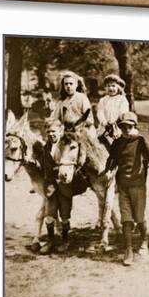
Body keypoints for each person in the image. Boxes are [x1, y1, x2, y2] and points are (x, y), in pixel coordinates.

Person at [106, 112, 149, 266]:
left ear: (134, 126)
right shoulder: (117, 143)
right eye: (123, 127)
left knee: (139, 217)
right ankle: (128, 249)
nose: (126, 129)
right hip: (123, 185)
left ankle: (144, 240)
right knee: (126, 218)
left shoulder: (140, 141)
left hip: (138, 185)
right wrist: (109, 170)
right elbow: (112, 159)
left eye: (129, 126)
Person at [41, 119, 88, 254]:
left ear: (60, 131)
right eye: (48, 131)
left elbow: (76, 160)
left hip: (65, 185)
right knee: (49, 215)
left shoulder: (67, 144)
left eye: (53, 131)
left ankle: (65, 240)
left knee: (65, 216)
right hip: (51, 185)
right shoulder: (46, 147)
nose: (51, 134)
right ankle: (50, 241)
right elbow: (46, 167)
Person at [95, 74, 129, 147]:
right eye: (108, 86)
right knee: (101, 143)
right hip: (105, 126)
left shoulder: (122, 99)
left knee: (120, 144)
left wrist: (115, 122)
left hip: (118, 126)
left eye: (113, 86)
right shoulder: (103, 100)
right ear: (105, 88)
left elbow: (123, 112)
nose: (111, 88)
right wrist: (104, 122)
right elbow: (100, 112)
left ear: (118, 87)